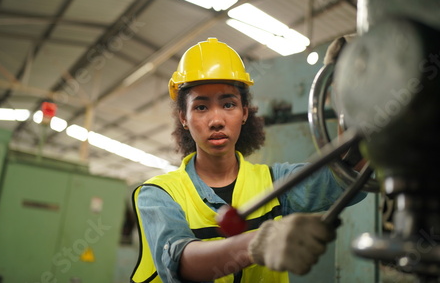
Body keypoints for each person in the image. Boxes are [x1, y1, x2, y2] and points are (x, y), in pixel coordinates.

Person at [131, 37, 366, 283]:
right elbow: (181, 263)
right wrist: (258, 243)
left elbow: (345, 174)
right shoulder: (158, 194)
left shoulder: (276, 184)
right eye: (201, 107)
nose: (216, 120)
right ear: (183, 117)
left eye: (228, 104)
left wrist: (349, 93)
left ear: (244, 112)